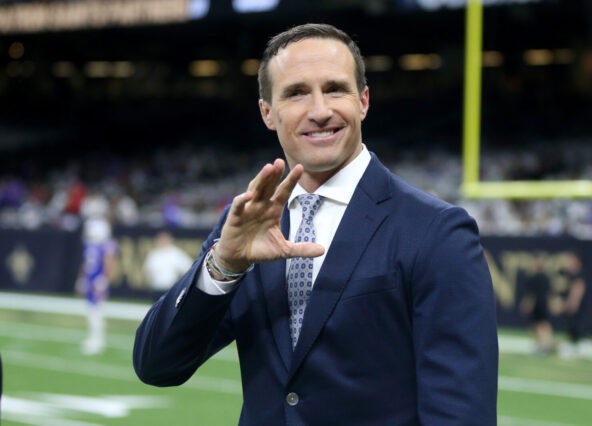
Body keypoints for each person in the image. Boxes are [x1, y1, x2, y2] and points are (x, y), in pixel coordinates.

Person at [134, 23, 498, 425]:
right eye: (296, 93)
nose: (320, 110)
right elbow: (157, 365)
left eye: (335, 89)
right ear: (267, 113)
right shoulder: (248, 223)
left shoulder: (436, 231)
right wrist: (224, 266)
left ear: (363, 101)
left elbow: (461, 415)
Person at [76, 217, 117, 355]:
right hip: (90, 279)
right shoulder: (89, 244)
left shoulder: (107, 245)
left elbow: (109, 263)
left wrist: (104, 279)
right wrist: (82, 278)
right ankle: (92, 338)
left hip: (98, 280)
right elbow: (86, 263)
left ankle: (98, 340)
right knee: (90, 311)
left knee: (97, 311)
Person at [519, 253, 555, 355]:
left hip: (539, 304)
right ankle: (543, 345)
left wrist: (526, 305)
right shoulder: (540, 278)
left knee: (540, 325)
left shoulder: (538, 278)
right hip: (541, 304)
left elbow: (530, 296)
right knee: (540, 325)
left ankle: (545, 345)